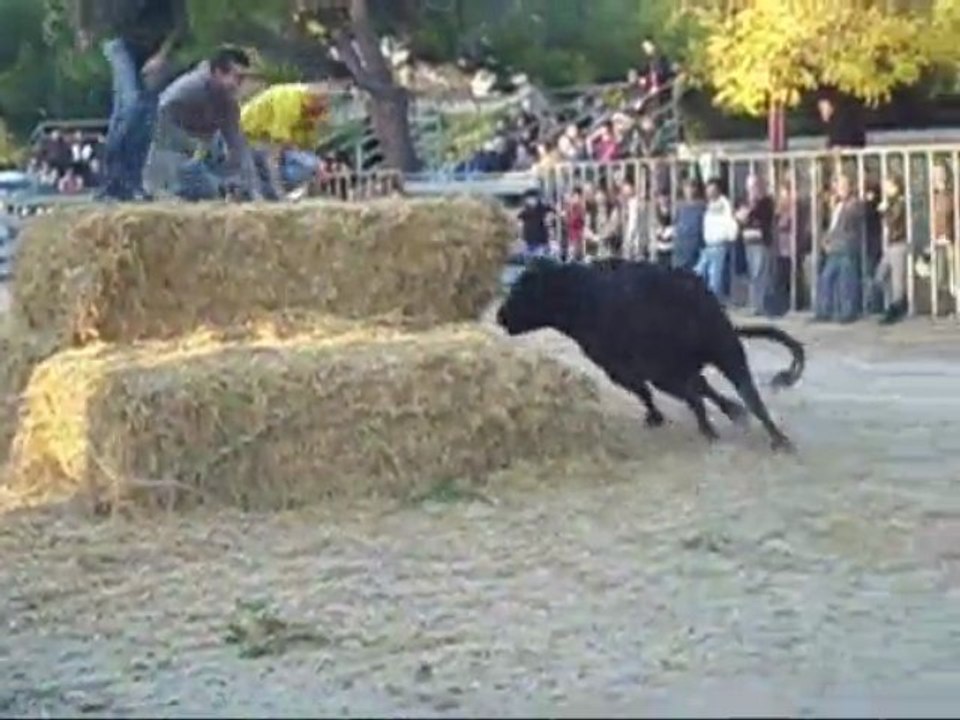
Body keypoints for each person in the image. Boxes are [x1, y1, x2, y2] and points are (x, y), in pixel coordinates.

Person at [75, 0, 188, 201]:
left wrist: (161, 57)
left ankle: (132, 181)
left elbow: (180, 27)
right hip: (119, 42)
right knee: (130, 105)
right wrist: (84, 28)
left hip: (154, 49)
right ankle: (111, 180)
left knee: (147, 117)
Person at [143, 47, 258, 202]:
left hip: (200, 152)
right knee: (200, 186)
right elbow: (160, 119)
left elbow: (238, 145)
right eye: (237, 77)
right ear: (218, 72)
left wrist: (251, 189)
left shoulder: (228, 102)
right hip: (170, 149)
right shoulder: (187, 89)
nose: (239, 84)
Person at [240, 83, 332, 200]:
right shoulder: (288, 100)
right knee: (274, 163)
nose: (318, 117)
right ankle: (272, 196)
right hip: (248, 133)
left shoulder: (307, 113)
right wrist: (314, 164)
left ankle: (266, 194)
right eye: (319, 110)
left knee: (307, 165)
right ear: (311, 102)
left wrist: (319, 166)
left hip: (265, 137)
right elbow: (279, 138)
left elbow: (304, 145)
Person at [814, 174, 864, 323]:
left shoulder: (854, 203)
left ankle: (848, 312)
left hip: (847, 248)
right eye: (838, 186)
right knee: (826, 279)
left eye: (843, 186)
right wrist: (825, 241)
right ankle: (824, 310)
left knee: (846, 282)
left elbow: (854, 218)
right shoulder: (836, 205)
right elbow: (832, 227)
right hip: (834, 248)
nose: (840, 189)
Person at [737, 174, 776, 317]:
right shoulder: (744, 201)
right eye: (750, 187)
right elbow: (740, 218)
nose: (752, 190)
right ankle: (754, 303)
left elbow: (763, 217)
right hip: (748, 242)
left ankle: (761, 305)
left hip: (760, 243)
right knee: (752, 274)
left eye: (754, 186)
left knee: (760, 273)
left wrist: (752, 208)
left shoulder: (766, 201)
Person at [872, 175, 909, 325]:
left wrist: (884, 211)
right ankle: (895, 305)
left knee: (896, 281)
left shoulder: (899, 202)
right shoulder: (891, 201)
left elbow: (893, 220)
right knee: (880, 276)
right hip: (890, 244)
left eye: (887, 185)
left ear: (895, 186)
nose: (884, 189)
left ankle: (896, 309)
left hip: (898, 242)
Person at [696, 177, 738, 301]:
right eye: (708, 189)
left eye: (712, 189)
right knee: (699, 272)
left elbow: (729, 222)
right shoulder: (709, 205)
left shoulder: (723, 204)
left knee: (715, 277)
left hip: (719, 244)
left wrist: (730, 237)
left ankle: (713, 301)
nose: (709, 192)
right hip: (708, 245)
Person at [672, 177, 706, 272]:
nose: (689, 190)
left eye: (692, 187)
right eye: (686, 187)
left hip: (696, 245)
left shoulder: (702, 206)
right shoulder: (679, 205)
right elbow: (676, 223)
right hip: (680, 246)